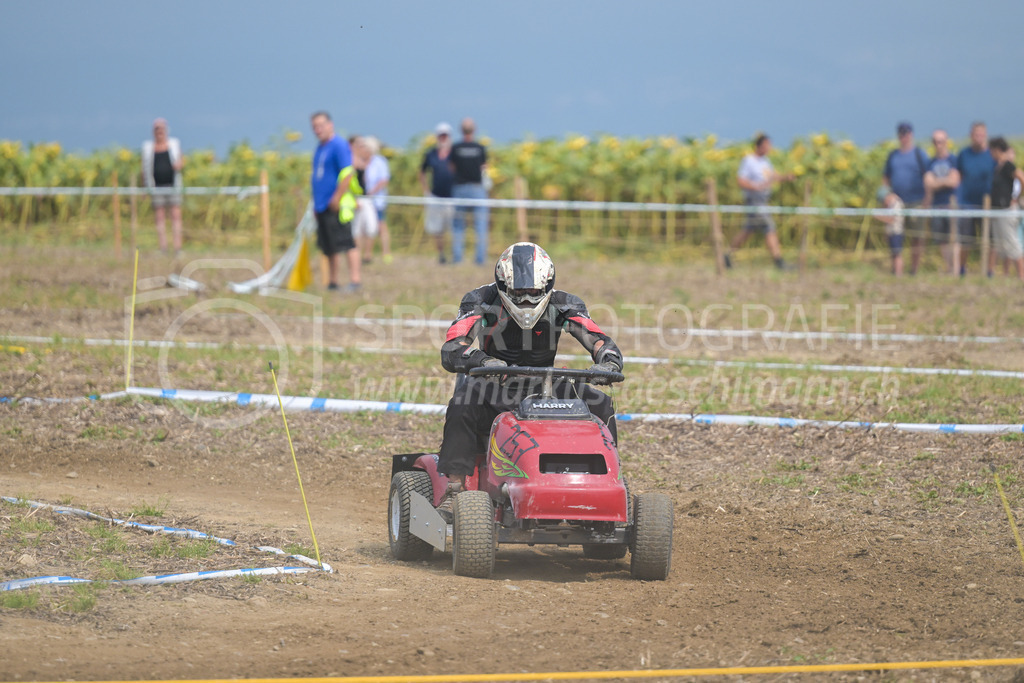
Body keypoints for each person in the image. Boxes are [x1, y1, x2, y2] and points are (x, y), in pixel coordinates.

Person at [434, 242, 624, 515]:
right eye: (518, 292)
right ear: (503, 284)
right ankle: (454, 489)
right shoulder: (481, 300)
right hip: (492, 384)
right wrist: (484, 361)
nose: (525, 299)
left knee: (599, 402)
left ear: (547, 285)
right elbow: (453, 348)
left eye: (533, 292)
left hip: (545, 384)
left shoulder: (564, 304)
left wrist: (608, 362)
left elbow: (597, 339)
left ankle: (607, 480)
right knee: (464, 399)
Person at [724, 133, 793, 270]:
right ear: (759, 146)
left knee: (748, 230)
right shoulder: (749, 161)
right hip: (755, 202)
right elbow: (741, 180)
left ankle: (727, 255)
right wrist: (755, 186)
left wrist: (785, 177)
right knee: (769, 228)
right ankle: (779, 261)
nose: (769, 148)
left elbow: (772, 177)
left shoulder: (765, 162)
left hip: (763, 201)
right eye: (767, 145)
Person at [310, 111, 360, 292]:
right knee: (328, 246)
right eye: (314, 126)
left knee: (346, 242)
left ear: (330, 124)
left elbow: (348, 172)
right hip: (321, 204)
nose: (317, 129)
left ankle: (355, 280)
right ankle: (333, 281)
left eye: (321, 125)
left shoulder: (338, 145)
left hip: (337, 205)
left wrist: (337, 197)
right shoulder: (320, 147)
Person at [883, 122, 928, 274]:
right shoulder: (893, 156)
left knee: (917, 236)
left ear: (911, 134)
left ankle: (914, 269)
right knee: (895, 235)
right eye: (901, 134)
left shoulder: (919, 154)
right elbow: (886, 178)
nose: (904, 137)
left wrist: (927, 199)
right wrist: (887, 195)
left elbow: (927, 177)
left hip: (917, 201)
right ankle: (897, 269)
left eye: (906, 133)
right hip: (897, 203)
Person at [956, 122, 996, 276]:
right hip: (966, 203)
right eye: (975, 134)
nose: (978, 137)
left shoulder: (992, 155)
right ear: (971, 136)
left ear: (985, 135)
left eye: (981, 134)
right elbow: (958, 175)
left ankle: (989, 272)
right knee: (966, 240)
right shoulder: (963, 154)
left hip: (987, 204)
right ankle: (961, 270)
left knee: (990, 240)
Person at [450, 117, 490, 265]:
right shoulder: (480, 148)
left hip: (459, 188)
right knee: (480, 225)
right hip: (477, 188)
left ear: (461, 130)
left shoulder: (456, 148)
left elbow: (452, 167)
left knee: (458, 225)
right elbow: (484, 167)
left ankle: (457, 258)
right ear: (474, 130)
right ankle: (480, 259)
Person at [141, 118, 185, 254]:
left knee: (176, 216)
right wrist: (145, 187)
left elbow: (182, 159)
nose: (159, 131)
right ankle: (163, 248)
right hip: (156, 187)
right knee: (159, 218)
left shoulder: (174, 144)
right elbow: (144, 168)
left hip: (174, 186)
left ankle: (178, 248)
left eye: (161, 128)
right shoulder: (148, 147)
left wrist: (179, 164)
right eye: (156, 129)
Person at [922, 129, 961, 274]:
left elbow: (954, 181)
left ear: (946, 142)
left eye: (941, 141)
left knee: (954, 237)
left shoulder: (953, 160)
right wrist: (944, 181)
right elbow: (928, 183)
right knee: (941, 238)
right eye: (935, 141)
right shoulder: (930, 162)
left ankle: (956, 269)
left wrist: (936, 181)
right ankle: (949, 267)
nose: (938, 144)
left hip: (952, 204)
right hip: (936, 204)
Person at [987, 137, 1024, 280]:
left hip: (1007, 210)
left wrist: (1017, 196)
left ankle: (1021, 275)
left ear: (996, 150)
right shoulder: (998, 167)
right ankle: (1006, 274)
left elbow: (1021, 177)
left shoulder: (1008, 165)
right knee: (1001, 244)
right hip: (997, 210)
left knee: (1012, 242)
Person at [419, 122, 456, 263]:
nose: (443, 138)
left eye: (445, 135)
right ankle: (441, 254)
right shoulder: (431, 154)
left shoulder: (454, 153)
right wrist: (426, 190)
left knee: (453, 227)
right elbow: (422, 171)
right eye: (441, 135)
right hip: (435, 196)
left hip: (453, 196)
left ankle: (454, 254)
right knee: (437, 228)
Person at [362, 136, 392, 264]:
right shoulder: (362, 161)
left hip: (377, 200)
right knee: (367, 228)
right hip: (364, 201)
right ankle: (367, 254)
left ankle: (386, 253)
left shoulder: (380, 161)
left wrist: (372, 192)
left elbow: (384, 179)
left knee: (380, 226)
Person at [875, 186, 906, 276]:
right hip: (891, 232)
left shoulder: (897, 204)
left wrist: (878, 216)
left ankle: (898, 273)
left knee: (897, 253)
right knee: (893, 253)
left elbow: (892, 219)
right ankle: (894, 271)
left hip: (897, 231)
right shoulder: (891, 205)